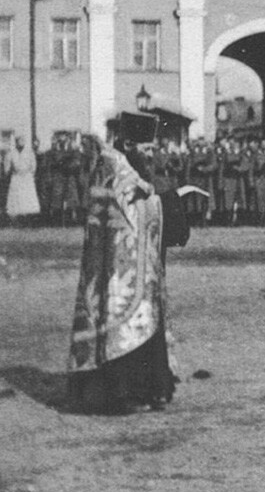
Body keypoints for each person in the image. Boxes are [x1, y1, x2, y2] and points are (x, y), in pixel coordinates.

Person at [67, 118, 190, 414]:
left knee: (146, 322)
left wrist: (160, 199)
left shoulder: (122, 167)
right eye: (146, 148)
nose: (150, 154)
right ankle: (124, 393)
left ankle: (151, 389)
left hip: (132, 265)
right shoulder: (115, 168)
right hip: (119, 268)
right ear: (128, 144)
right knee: (127, 326)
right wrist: (170, 201)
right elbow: (130, 212)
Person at [5, 135, 41, 226]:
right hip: (16, 177)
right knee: (16, 199)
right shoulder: (11, 153)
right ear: (16, 142)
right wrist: (12, 172)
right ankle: (17, 220)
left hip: (27, 177)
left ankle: (27, 219)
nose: (20, 142)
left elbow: (33, 166)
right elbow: (7, 167)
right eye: (18, 140)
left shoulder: (29, 152)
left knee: (27, 198)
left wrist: (29, 174)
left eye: (22, 140)